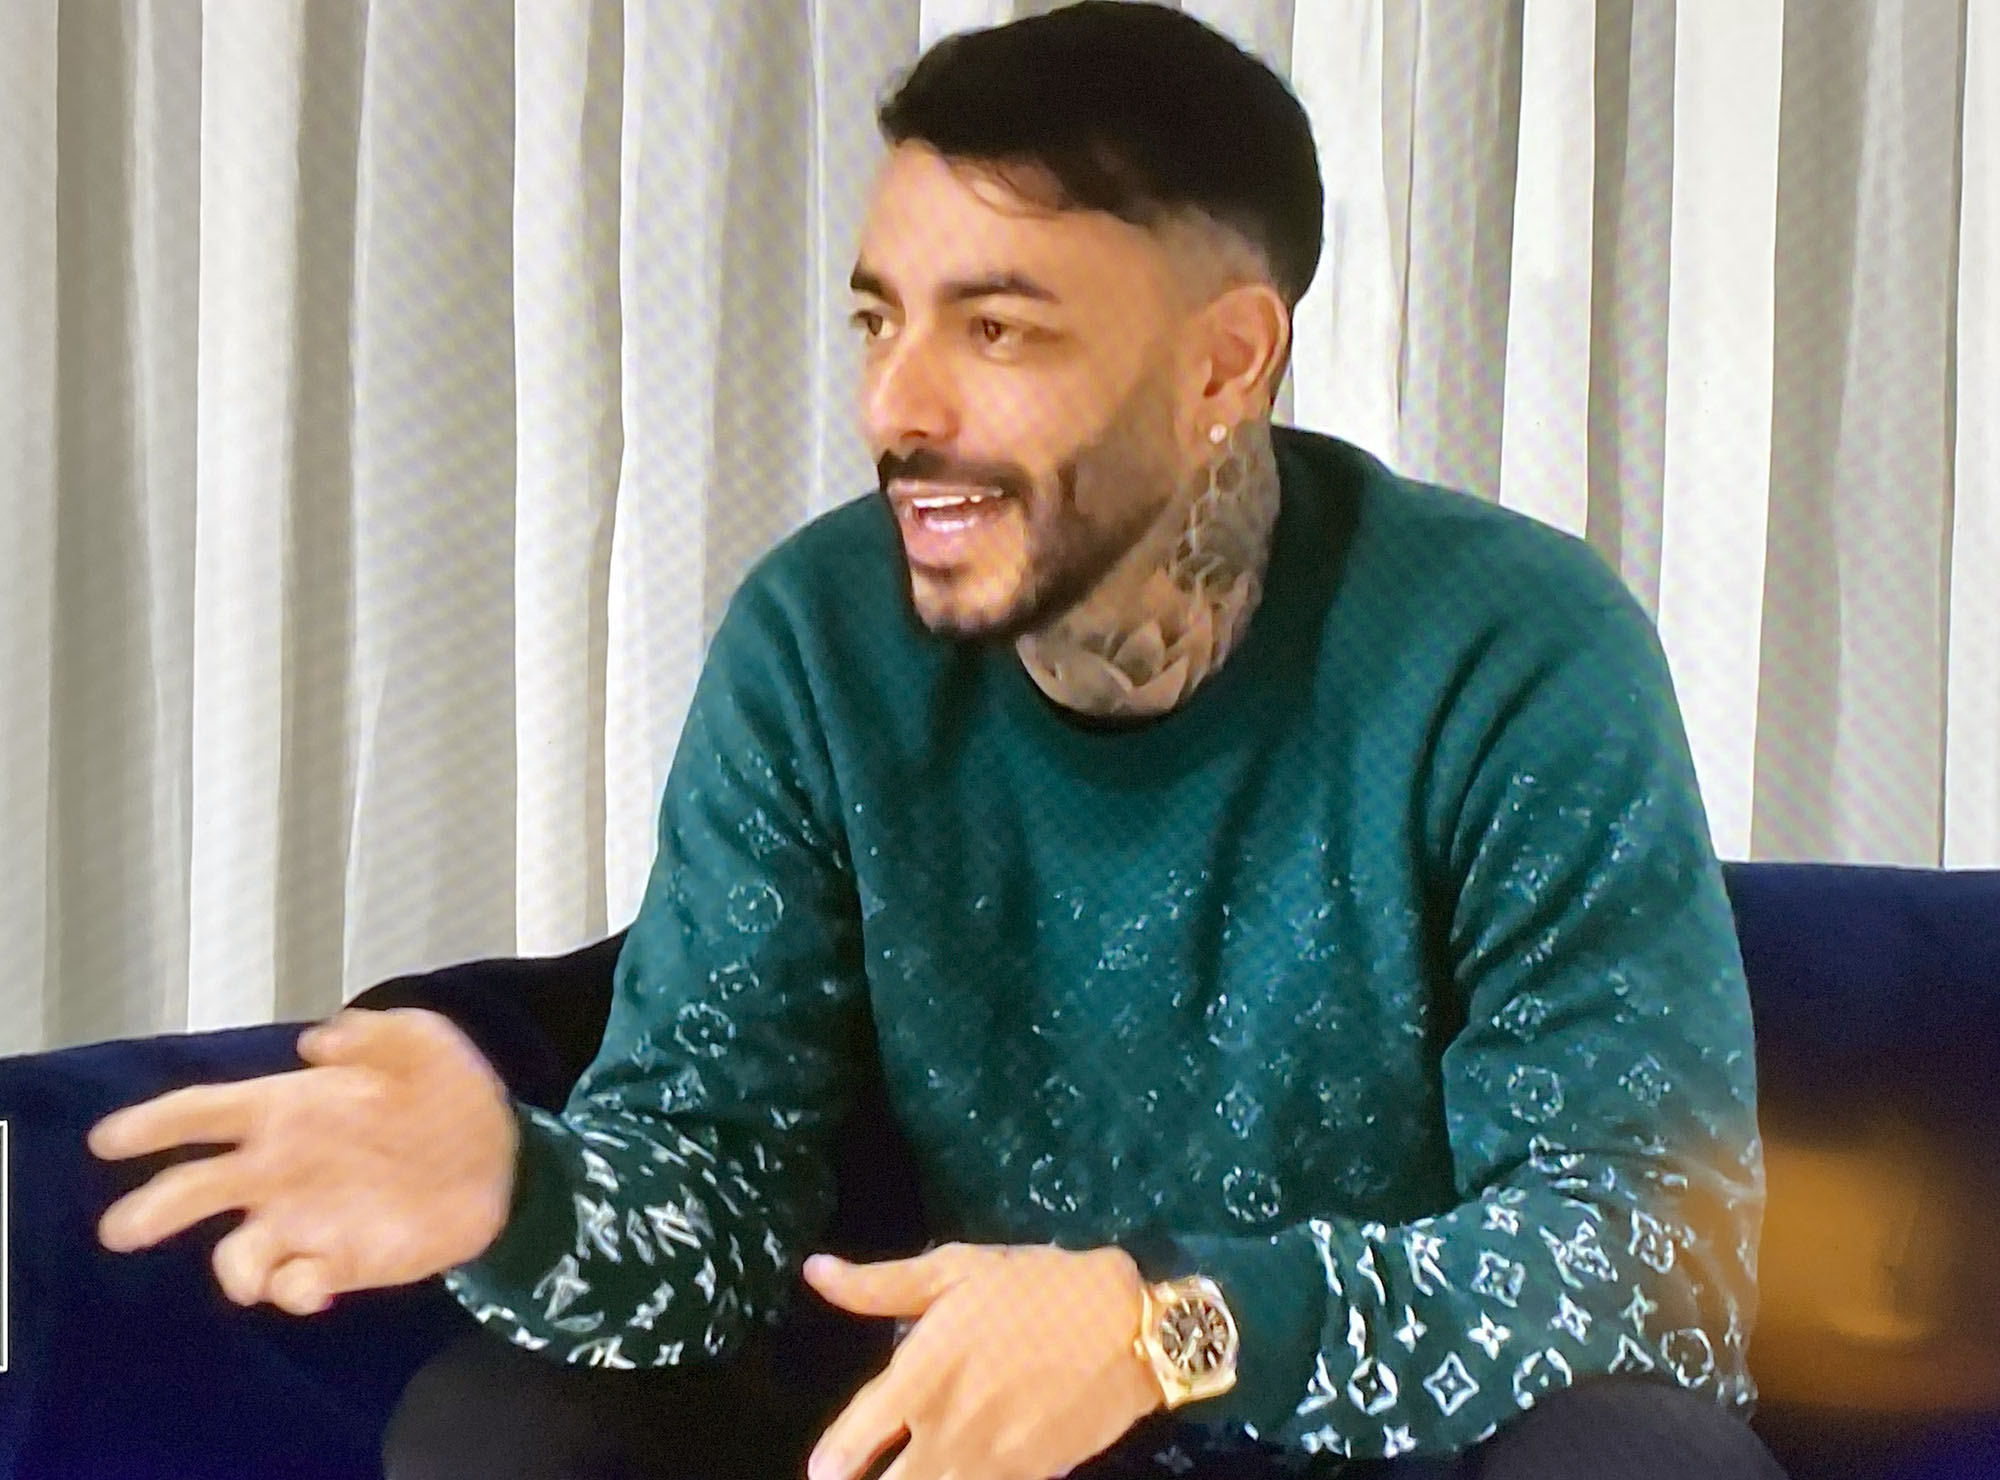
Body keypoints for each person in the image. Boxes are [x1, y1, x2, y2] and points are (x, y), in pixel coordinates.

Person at [86, 4, 1785, 1477]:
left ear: (1225, 365)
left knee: (1650, 1460)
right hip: (953, 1445)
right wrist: (517, 1196)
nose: (896, 407)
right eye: (878, 319)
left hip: (1388, 1448)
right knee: (506, 1423)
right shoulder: (818, 644)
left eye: (997, 329)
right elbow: (712, 1202)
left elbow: (1653, 1264)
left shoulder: (1511, 652)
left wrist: (1163, 1331)